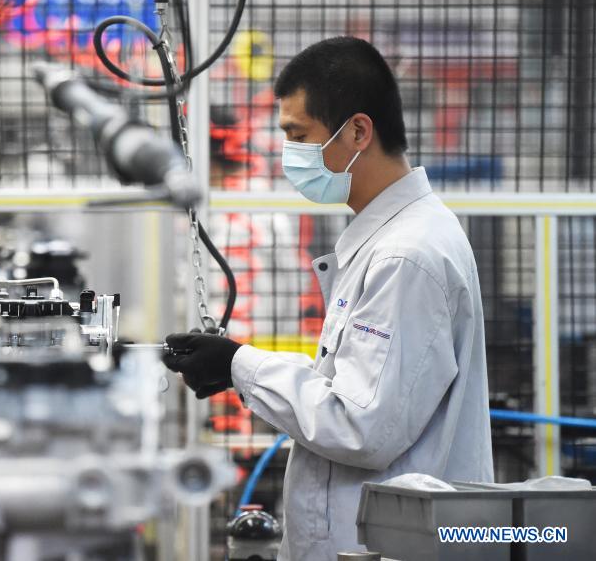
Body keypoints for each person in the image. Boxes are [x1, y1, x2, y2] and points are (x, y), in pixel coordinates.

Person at [163, 37, 494, 560]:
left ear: (359, 131)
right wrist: (236, 366)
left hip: (390, 545)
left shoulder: (405, 257)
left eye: (299, 136)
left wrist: (240, 366)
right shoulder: (385, 241)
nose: (290, 154)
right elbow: (355, 388)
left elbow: (360, 425)